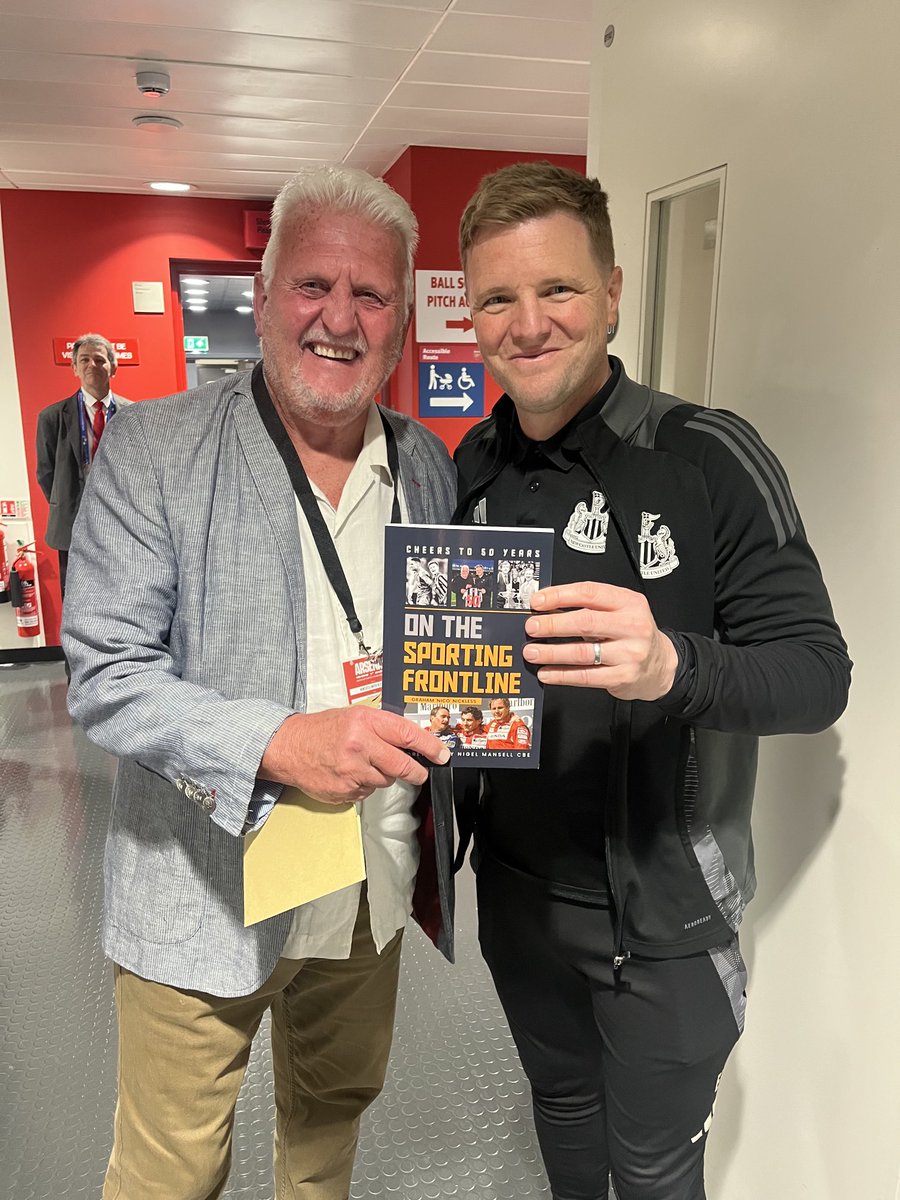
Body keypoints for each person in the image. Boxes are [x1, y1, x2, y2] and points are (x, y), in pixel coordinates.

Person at [453, 161, 851, 1200]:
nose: (528, 323)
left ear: (615, 293)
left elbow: (816, 676)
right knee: (568, 1133)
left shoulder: (707, 456)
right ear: (472, 312)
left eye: (559, 290)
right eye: (499, 297)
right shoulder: (467, 468)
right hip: (518, 900)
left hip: (666, 930)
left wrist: (674, 665)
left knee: (654, 1172)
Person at [62, 164, 457, 1200]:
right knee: (170, 1170)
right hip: (202, 886)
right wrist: (277, 743)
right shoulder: (156, 449)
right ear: (266, 290)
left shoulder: (427, 464)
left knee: (327, 1140)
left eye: (370, 294)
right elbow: (106, 674)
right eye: (313, 285)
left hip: (370, 883)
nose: (340, 317)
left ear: (402, 318)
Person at [35, 333, 130, 605]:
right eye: (84, 360)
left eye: (99, 360)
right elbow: (46, 473)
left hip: (121, 524)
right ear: (74, 368)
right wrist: (68, 503)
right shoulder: (52, 417)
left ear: (113, 367)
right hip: (72, 526)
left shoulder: (133, 414)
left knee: (123, 596)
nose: (92, 365)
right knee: (78, 600)